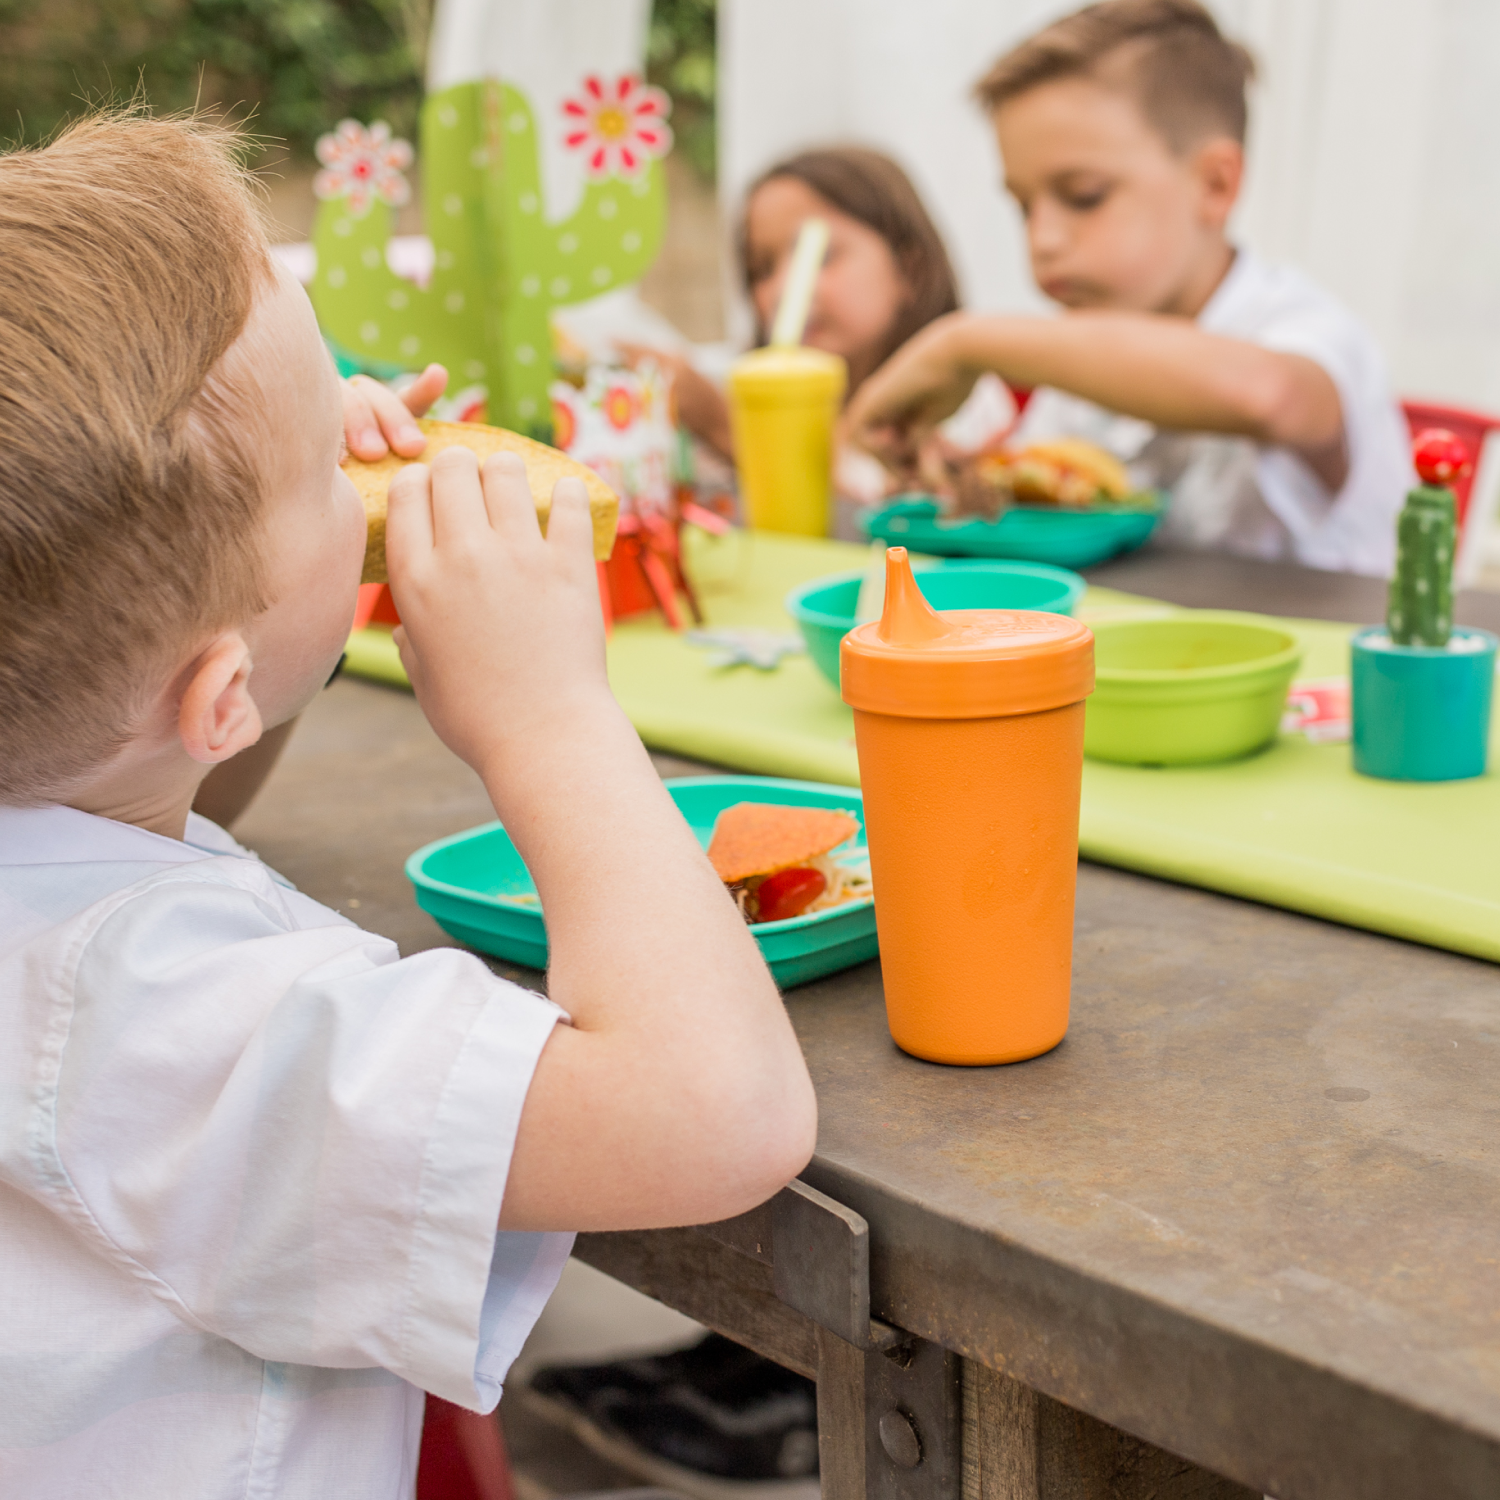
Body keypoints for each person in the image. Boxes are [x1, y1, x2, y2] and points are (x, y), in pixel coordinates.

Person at [0, 112, 817, 1498]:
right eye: (337, 452)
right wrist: (547, 712)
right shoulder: (163, 1020)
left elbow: (158, 755)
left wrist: (283, 592)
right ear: (215, 688)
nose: (375, 446)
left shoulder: (62, 817)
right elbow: (719, 1117)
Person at [844, 0, 1413, 578]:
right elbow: (1055, 503)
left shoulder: (1303, 328)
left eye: (1084, 195)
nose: (1042, 240)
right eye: (1022, 207)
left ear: (1215, 185)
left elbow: (1272, 398)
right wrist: (965, 476)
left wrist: (965, 343)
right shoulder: (1078, 365)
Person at [623, 147, 1009, 536]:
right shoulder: (742, 392)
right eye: (762, 270)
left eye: (820, 256)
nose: (783, 290)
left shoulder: (964, 400)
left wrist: (727, 430)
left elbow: (876, 502)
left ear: (908, 271)